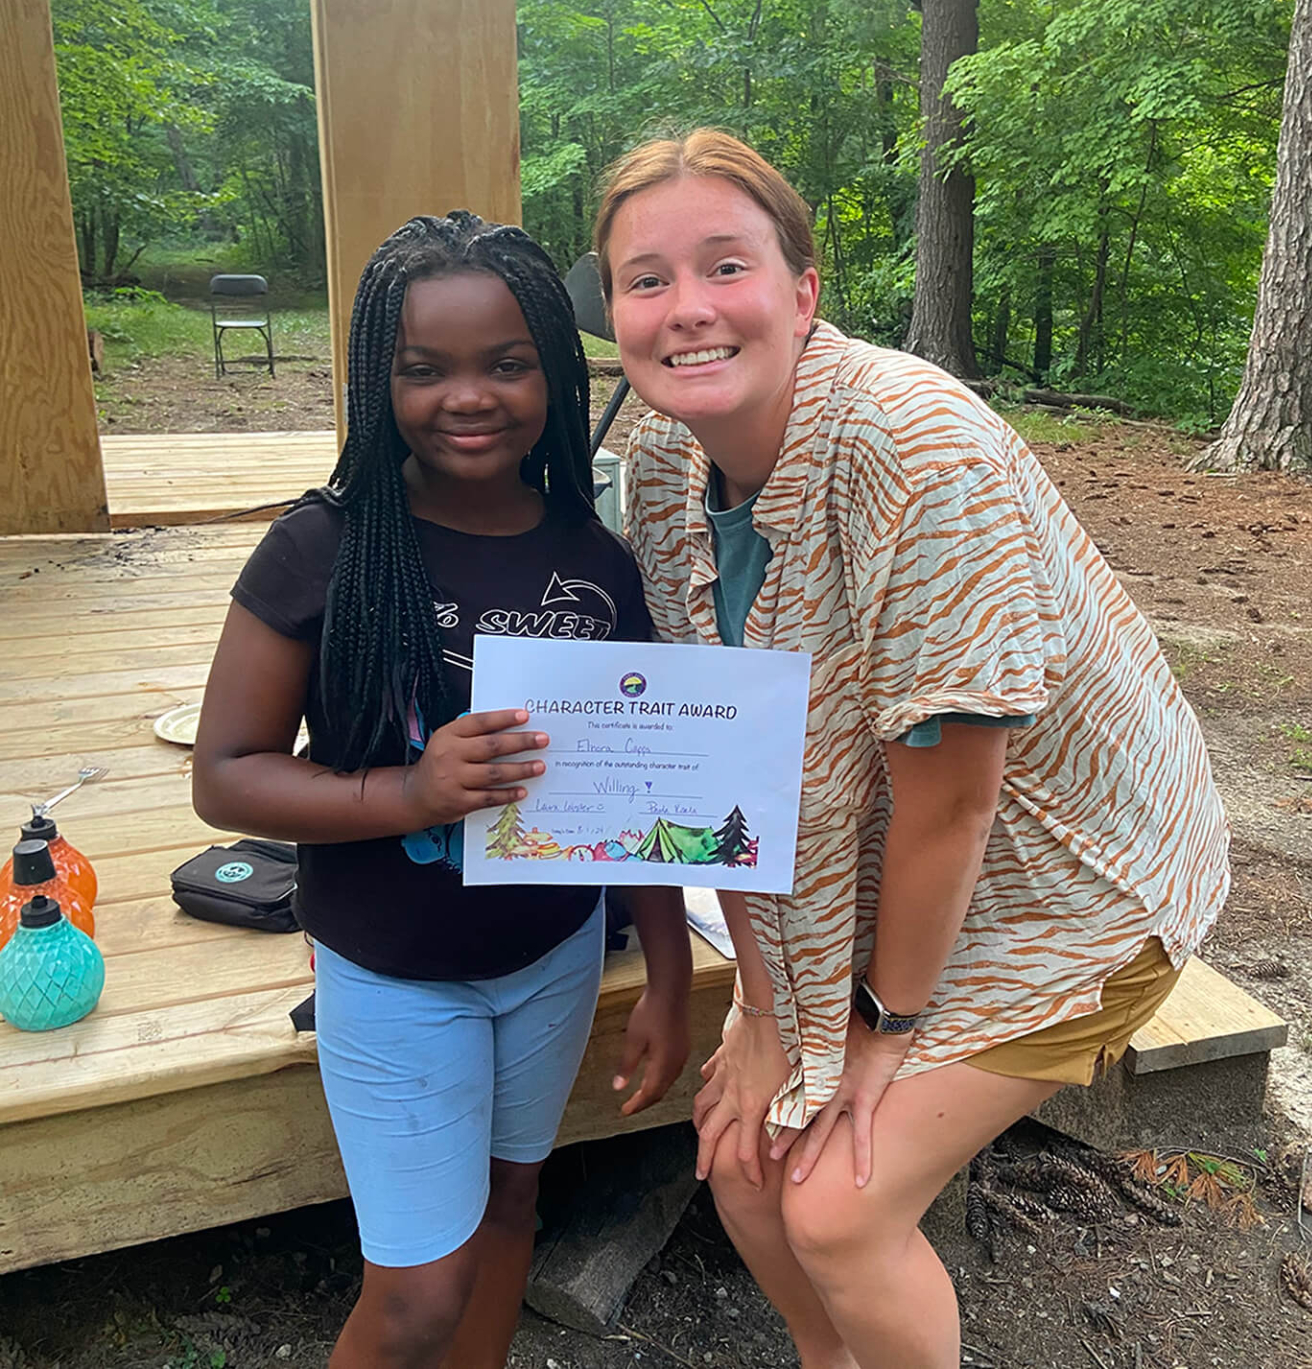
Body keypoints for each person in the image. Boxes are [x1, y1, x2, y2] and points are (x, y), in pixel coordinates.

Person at [594, 130, 1230, 1369]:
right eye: (646, 278)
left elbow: (954, 806)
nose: (687, 310)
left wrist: (870, 1038)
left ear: (802, 291)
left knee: (837, 1206)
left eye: (725, 265)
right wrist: (771, 1012)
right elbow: (713, 759)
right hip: (885, 871)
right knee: (742, 1156)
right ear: (613, 310)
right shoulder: (667, 467)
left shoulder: (914, 450)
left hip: (1069, 879)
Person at [191, 212, 692, 1369]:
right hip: (392, 972)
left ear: (556, 378)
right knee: (418, 1293)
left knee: (513, 1210)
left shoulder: (593, 551)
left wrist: (667, 971)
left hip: (553, 958)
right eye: (424, 369)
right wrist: (408, 794)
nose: (468, 396)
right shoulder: (324, 547)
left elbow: (646, 782)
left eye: (507, 363)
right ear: (381, 382)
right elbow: (226, 774)